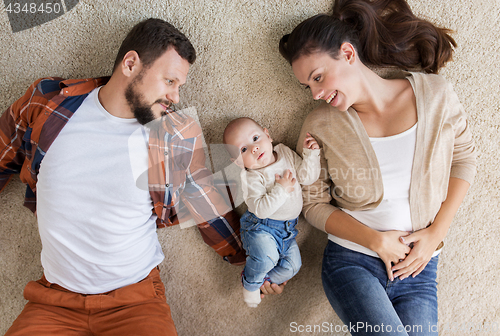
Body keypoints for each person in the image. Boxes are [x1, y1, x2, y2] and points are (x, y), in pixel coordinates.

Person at [0, 18, 246, 336]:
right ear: (130, 63)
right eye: (170, 81)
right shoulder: (47, 102)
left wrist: (252, 259)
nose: (176, 96)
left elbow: (204, 203)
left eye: (179, 86)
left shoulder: (175, 133)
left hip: (134, 301)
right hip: (53, 301)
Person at [278, 0, 476, 335]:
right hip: (352, 262)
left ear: (348, 53)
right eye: (308, 86)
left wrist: (437, 233)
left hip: (418, 266)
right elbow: (312, 204)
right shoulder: (320, 124)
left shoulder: (436, 94)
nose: (315, 93)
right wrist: (375, 241)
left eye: (318, 77)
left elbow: (464, 158)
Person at [223, 117, 321, 307]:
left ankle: (260, 278)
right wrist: (281, 189)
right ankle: (250, 284)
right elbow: (260, 209)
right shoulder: (251, 176)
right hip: (261, 228)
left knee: (293, 266)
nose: (254, 148)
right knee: (268, 257)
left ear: (268, 135)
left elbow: (306, 177)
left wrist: (311, 155)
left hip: (288, 230)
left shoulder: (284, 152)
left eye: (256, 138)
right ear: (237, 162)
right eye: (243, 150)